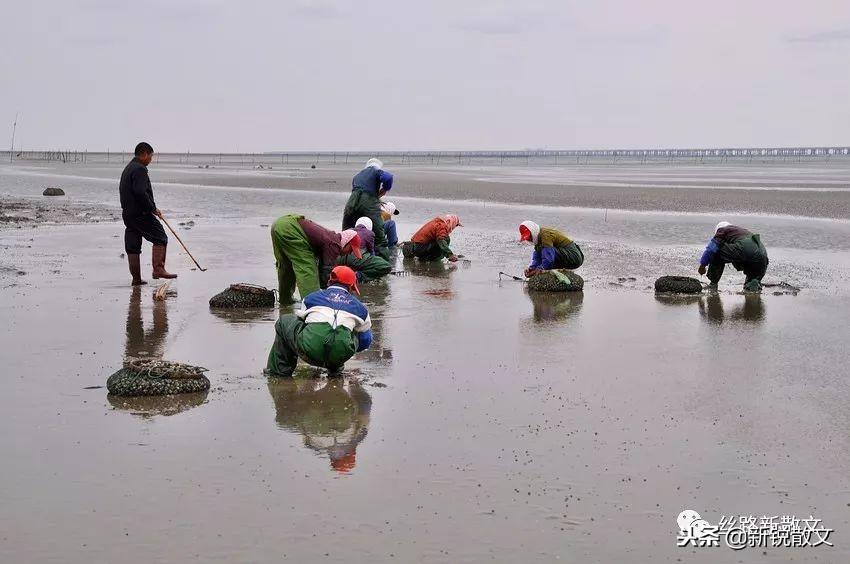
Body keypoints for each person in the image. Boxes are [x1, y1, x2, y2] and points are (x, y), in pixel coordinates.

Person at [266, 266, 373, 377]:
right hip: (340, 354)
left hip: (310, 351)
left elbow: (303, 321)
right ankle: (335, 369)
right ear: (351, 287)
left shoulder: (310, 298)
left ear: (329, 281)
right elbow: (366, 341)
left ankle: (279, 372)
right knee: (352, 332)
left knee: (285, 321)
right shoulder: (361, 309)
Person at [119, 142, 176, 285]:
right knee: (160, 237)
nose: (151, 159)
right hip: (140, 214)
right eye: (150, 156)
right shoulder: (140, 169)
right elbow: (140, 192)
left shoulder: (129, 168)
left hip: (128, 214)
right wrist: (152, 208)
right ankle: (158, 270)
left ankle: (136, 279)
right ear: (144, 153)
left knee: (133, 245)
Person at [271, 214, 362, 304]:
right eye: (351, 249)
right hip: (291, 228)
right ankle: (313, 304)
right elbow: (327, 272)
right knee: (307, 268)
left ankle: (285, 300)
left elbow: (323, 269)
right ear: (347, 242)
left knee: (286, 266)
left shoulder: (330, 238)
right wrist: (332, 295)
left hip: (279, 224)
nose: (350, 253)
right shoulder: (334, 244)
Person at [342, 158, 393, 260]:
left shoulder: (357, 176)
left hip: (352, 200)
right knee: (379, 234)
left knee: (348, 232)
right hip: (367, 201)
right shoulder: (375, 170)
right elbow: (388, 177)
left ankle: (344, 260)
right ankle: (383, 263)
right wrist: (385, 189)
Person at [698, 222, 768, 292]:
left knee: (716, 252)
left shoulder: (722, 230)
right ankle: (753, 284)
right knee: (750, 283)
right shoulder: (742, 231)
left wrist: (702, 266)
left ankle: (713, 284)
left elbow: (711, 249)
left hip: (745, 249)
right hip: (762, 255)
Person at [519, 221, 584, 277]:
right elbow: (538, 258)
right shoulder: (538, 241)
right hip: (566, 255)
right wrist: (532, 269)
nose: (529, 239)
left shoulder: (545, 235)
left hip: (574, 256)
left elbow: (548, 258)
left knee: (546, 255)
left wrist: (540, 269)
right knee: (542, 253)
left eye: (529, 236)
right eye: (527, 238)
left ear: (533, 231)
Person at [337, 217, 392, 283]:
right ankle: (358, 276)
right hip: (356, 255)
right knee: (386, 266)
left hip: (341, 256)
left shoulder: (349, 230)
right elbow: (371, 251)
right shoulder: (370, 233)